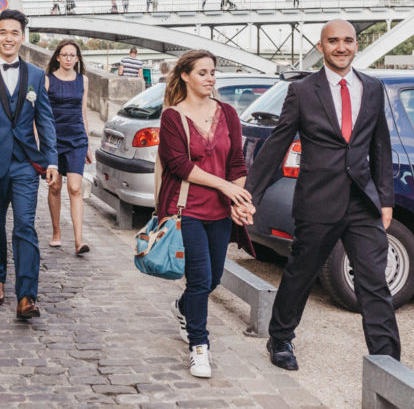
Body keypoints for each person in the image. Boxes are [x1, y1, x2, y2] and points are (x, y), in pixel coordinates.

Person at [246, 19, 400, 371]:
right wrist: (250, 194)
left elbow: (380, 148)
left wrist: (386, 199)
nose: (341, 47)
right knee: (301, 272)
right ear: (321, 47)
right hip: (317, 200)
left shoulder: (373, 88)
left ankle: (388, 361)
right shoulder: (302, 91)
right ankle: (281, 337)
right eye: (333, 41)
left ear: (356, 45)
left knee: (375, 281)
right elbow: (278, 144)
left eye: (348, 40)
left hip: (363, 201)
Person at [158, 50, 252, 379]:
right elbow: (180, 166)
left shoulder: (228, 113)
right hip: (187, 210)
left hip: (219, 212)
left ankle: (183, 308)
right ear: (185, 75)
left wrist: (237, 199)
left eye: (213, 72)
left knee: (212, 279)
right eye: (202, 72)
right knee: (199, 280)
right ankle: (200, 347)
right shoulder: (173, 117)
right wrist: (225, 187)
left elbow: (238, 163)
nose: (210, 78)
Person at [0, 9, 58, 320]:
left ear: (21, 37)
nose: (8, 38)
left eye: (14, 33)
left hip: (26, 164)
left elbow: (45, 120)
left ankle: (27, 296)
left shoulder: (35, 75)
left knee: (25, 227)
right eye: (3, 32)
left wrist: (51, 160)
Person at [44, 40, 92, 254]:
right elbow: (41, 114)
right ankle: (56, 232)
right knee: (55, 186)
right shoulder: (47, 80)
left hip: (76, 138)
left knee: (74, 187)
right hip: (53, 138)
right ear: (57, 57)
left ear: (78, 58)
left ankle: (78, 240)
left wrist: (88, 143)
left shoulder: (83, 80)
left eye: (73, 55)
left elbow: (83, 112)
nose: (69, 59)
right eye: (65, 55)